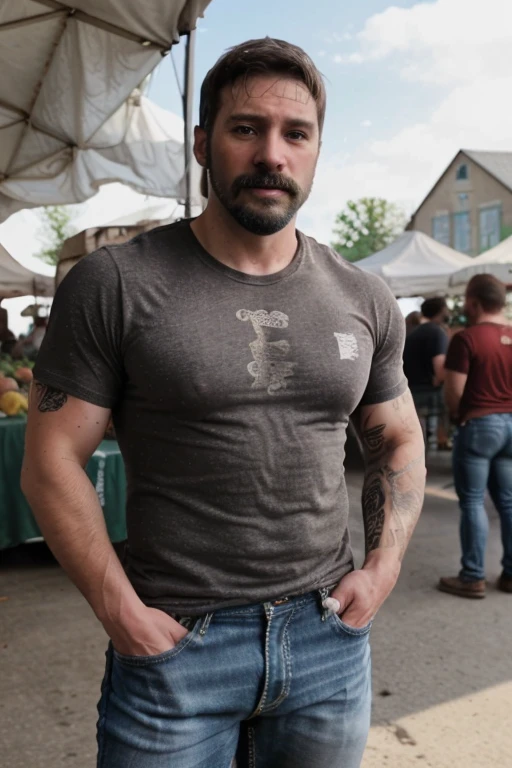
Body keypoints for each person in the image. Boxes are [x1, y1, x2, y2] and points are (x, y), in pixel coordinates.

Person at [22, 38, 425, 768]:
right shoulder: (115, 284)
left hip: (326, 639)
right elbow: (51, 462)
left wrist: (384, 566)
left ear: (315, 151)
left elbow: (398, 439)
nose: (273, 153)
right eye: (247, 128)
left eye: (295, 133)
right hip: (176, 649)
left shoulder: (364, 296)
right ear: (205, 144)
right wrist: (123, 615)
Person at [439, 274, 512, 599]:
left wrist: (458, 419)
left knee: (471, 501)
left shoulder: (466, 339)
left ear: (473, 302)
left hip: (480, 425)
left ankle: (472, 576)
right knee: (508, 501)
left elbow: (454, 391)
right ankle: (510, 574)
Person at [403, 297, 451, 447]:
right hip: (428, 391)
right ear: (442, 311)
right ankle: (443, 439)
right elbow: (440, 368)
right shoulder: (437, 333)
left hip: (410, 389)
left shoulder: (412, 332)